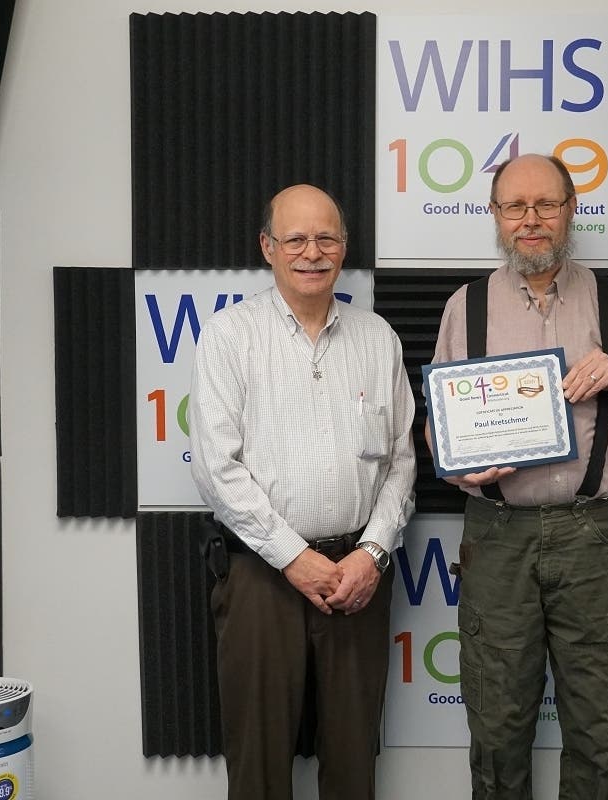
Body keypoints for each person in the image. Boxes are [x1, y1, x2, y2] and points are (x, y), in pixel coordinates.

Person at [427, 154, 608, 799]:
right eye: (515, 207)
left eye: (546, 205)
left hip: (594, 537)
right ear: (496, 217)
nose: (530, 220)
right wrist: (460, 466)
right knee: (496, 728)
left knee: (599, 728)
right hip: (497, 536)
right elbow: (437, 431)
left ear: (570, 212)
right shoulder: (467, 306)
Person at [188, 184, 416, 800]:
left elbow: (401, 461)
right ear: (267, 246)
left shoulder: (378, 338)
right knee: (258, 765)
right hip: (260, 575)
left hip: (357, 577)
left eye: (326, 238)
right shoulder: (230, 336)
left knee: (352, 765)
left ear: (344, 248)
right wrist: (293, 556)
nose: (311, 252)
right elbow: (216, 468)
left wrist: (371, 555)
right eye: (295, 239)